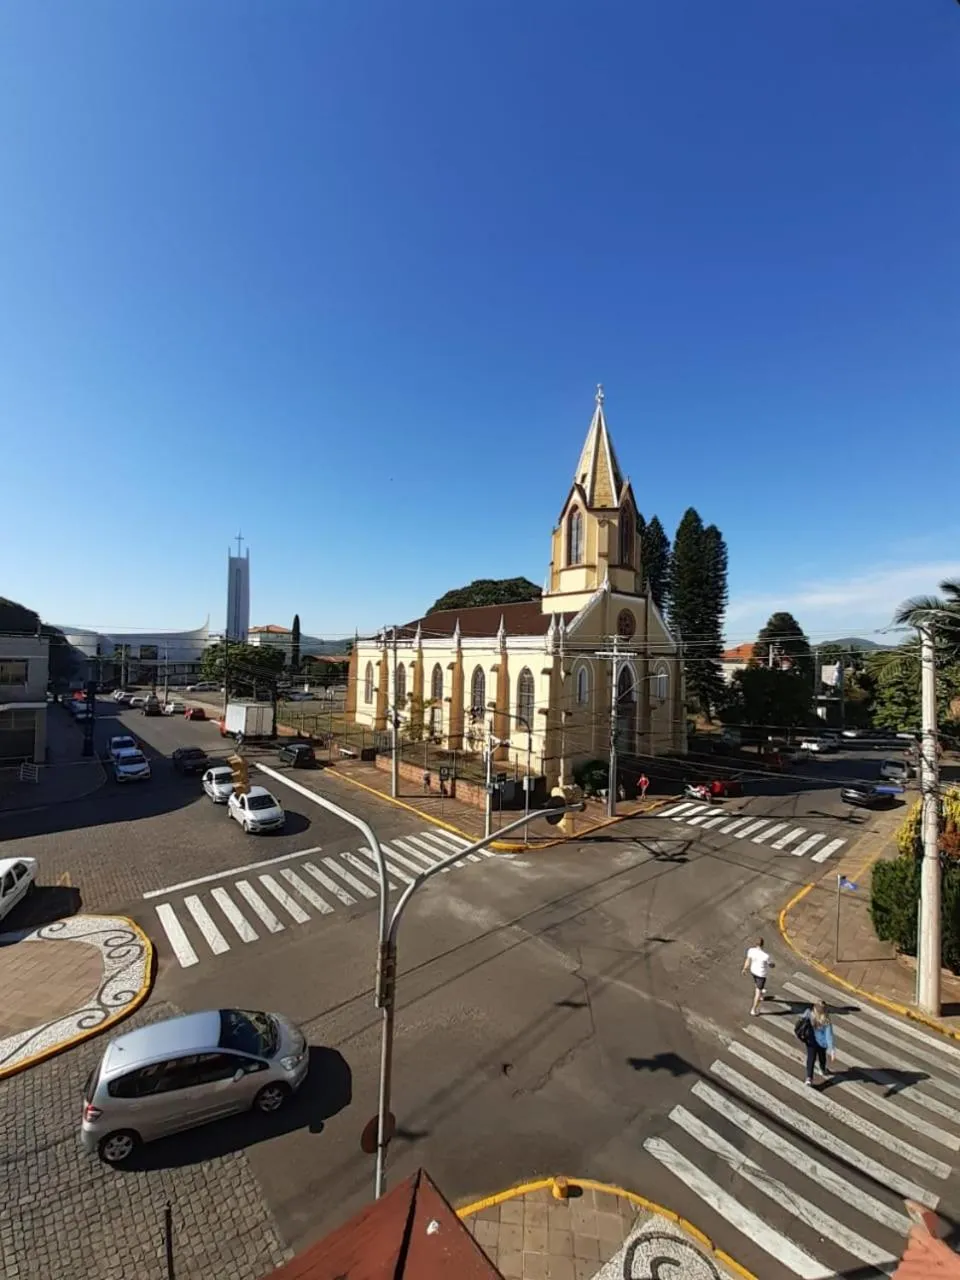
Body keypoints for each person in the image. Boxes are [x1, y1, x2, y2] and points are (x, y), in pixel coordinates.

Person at [799, 998, 836, 1085]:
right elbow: (829, 1035)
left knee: (811, 1059)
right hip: (822, 1043)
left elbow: (801, 1022)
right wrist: (832, 1049)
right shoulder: (826, 1020)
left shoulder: (809, 1014)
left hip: (810, 1042)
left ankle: (809, 1078)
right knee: (822, 1057)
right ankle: (822, 1069)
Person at [742, 936, 773, 1016]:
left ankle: (761, 995)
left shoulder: (751, 950)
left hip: (753, 971)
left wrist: (744, 969)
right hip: (761, 975)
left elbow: (748, 960)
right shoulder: (765, 956)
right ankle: (753, 1009)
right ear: (763, 944)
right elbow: (770, 964)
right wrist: (772, 965)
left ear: (755, 944)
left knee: (757, 984)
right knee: (757, 992)